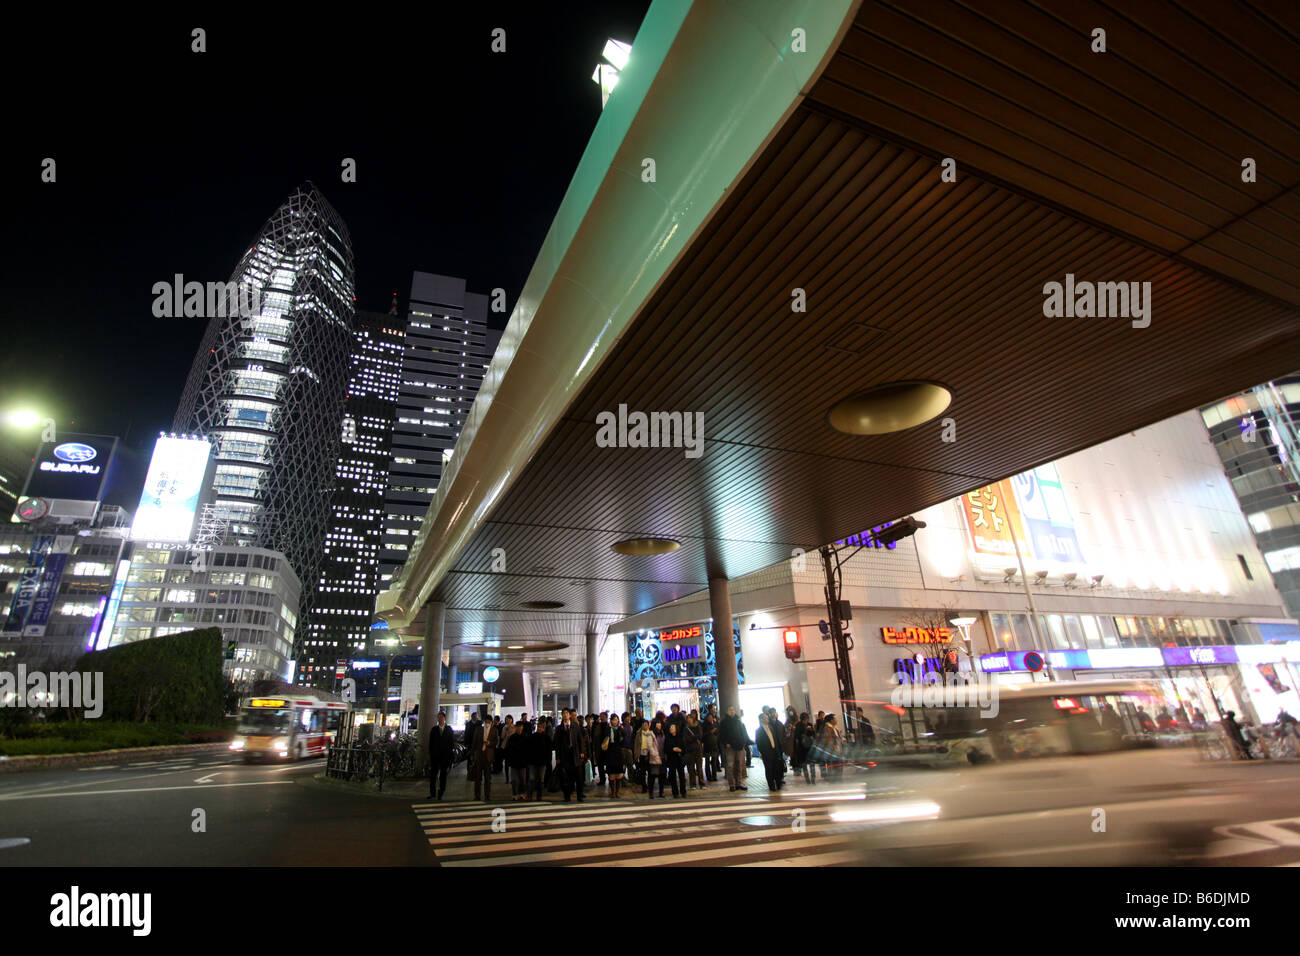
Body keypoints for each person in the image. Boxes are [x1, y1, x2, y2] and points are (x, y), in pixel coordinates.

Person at [559, 709, 590, 801]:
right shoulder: (560, 728)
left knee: (579, 776)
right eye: (563, 714)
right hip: (565, 755)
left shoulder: (575, 726)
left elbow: (580, 740)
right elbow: (557, 744)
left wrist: (582, 752)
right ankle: (567, 796)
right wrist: (558, 757)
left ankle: (579, 795)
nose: (565, 715)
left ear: (569, 715)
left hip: (576, 754)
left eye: (566, 713)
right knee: (567, 777)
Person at [469, 713, 499, 801]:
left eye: (489, 721)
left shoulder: (494, 730)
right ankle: (477, 795)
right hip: (479, 755)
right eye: (486, 721)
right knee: (478, 778)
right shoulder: (478, 729)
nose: (487, 722)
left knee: (487, 778)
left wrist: (490, 743)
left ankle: (487, 795)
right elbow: (474, 742)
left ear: (491, 722)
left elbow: (496, 742)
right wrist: (472, 754)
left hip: (488, 756)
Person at [427, 711, 457, 801]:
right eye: (438, 717)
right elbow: (431, 743)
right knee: (433, 775)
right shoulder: (434, 729)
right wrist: (431, 753)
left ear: (444, 718)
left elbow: (451, 743)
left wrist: (450, 755)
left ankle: (441, 793)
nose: (440, 719)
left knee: (443, 775)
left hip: (445, 756)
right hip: (435, 756)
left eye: (441, 717)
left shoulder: (449, 729)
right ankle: (432, 793)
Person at [719, 705, 748, 792]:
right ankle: (731, 784)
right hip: (730, 747)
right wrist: (726, 743)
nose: (732, 711)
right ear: (727, 712)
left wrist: (743, 742)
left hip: (739, 746)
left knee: (739, 765)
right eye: (730, 710)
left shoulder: (738, 722)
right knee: (730, 766)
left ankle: (738, 783)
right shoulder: (724, 723)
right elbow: (721, 735)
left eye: (733, 710)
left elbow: (743, 733)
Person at [635, 717, 665, 798]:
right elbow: (644, 745)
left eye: (660, 725)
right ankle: (648, 790)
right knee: (648, 774)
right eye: (657, 725)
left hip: (659, 756)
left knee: (660, 775)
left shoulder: (660, 734)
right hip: (649, 755)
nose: (659, 726)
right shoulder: (646, 734)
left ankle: (660, 792)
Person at [756, 712, 784, 791]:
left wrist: (778, 750)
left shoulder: (771, 727)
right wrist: (764, 753)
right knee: (769, 770)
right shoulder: (759, 731)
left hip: (775, 751)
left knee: (777, 768)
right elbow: (759, 744)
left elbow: (775, 739)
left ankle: (778, 783)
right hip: (767, 754)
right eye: (765, 717)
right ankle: (771, 785)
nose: (767, 718)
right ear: (762, 719)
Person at [527, 715, 553, 801]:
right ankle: (530, 795)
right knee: (532, 779)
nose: (539, 729)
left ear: (543, 728)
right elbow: (529, 749)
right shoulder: (532, 737)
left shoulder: (546, 738)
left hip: (542, 762)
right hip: (533, 762)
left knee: (540, 780)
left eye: (541, 727)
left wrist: (548, 761)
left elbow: (549, 751)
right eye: (538, 727)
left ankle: (539, 796)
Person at [604, 714, 627, 798]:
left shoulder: (620, 729)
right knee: (611, 774)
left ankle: (617, 791)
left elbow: (625, 735)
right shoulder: (608, 728)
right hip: (610, 752)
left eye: (616, 720)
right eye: (613, 720)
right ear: (611, 721)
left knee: (619, 774)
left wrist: (620, 727)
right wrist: (609, 728)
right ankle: (613, 791)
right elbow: (605, 737)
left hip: (618, 752)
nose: (615, 721)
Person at [664, 722, 688, 798]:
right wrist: (672, 749)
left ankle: (683, 792)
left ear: (676, 729)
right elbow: (665, 749)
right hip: (672, 759)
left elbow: (684, 748)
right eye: (670, 728)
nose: (671, 729)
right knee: (673, 776)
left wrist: (680, 750)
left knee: (681, 776)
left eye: (672, 728)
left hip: (679, 758)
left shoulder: (680, 737)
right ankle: (675, 792)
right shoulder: (668, 738)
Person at [684, 713, 705, 789]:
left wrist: (693, 737)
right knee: (691, 768)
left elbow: (700, 735)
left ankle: (702, 783)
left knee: (699, 768)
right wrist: (694, 737)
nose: (689, 719)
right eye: (688, 718)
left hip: (698, 749)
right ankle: (693, 784)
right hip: (690, 750)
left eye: (690, 718)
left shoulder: (698, 726)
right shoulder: (686, 729)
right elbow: (686, 739)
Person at [793, 712, 816, 784]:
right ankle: (807, 780)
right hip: (802, 748)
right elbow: (796, 736)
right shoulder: (798, 725)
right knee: (804, 764)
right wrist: (804, 731)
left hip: (809, 747)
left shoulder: (810, 724)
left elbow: (813, 735)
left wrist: (811, 731)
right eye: (805, 718)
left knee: (812, 764)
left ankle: (813, 779)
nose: (806, 719)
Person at [701, 711, 720, 782]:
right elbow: (702, 735)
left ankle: (714, 776)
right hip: (707, 746)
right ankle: (708, 776)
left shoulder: (715, 724)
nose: (710, 719)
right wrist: (710, 732)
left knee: (714, 762)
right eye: (709, 717)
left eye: (711, 717)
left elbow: (718, 733)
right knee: (707, 762)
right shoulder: (704, 725)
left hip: (714, 746)